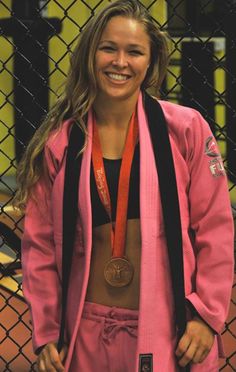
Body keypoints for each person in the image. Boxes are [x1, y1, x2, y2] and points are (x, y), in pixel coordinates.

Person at [15, 0, 234, 371]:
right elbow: (39, 246)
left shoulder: (186, 130)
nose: (120, 62)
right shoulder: (61, 141)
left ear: (151, 62)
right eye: (108, 48)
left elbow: (214, 227)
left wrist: (206, 316)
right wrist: (49, 330)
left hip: (168, 329)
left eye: (134, 51)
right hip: (83, 332)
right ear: (90, 54)